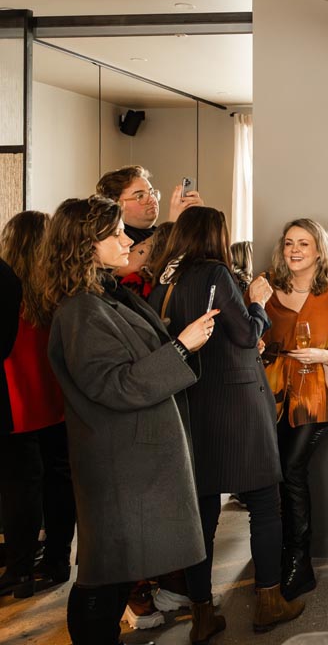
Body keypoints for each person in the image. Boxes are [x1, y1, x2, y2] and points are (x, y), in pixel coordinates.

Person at [32, 196, 218, 645]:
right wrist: (182, 346)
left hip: (132, 457)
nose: (126, 240)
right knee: (105, 576)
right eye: (114, 233)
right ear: (85, 245)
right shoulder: (81, 309)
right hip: (118, 461)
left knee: (117, 572)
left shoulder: (107, 294)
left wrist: (177, 342)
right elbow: (115, 385)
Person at [157, 207, 305, 639]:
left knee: (202, 515)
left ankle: (202, 615)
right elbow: (245, 335)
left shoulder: (166, 279)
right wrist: (257, 302)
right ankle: (269, 602)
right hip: (238, 404)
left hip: (191, 403)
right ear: (215, 236)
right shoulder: (217, 273)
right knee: (265, 504)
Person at [262, 218, 328, 601]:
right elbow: (251, 331)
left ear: (319, 250)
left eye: (303, 243)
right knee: (273, 473)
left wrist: (325, 355)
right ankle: (276, 553)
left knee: (291, 468)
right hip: (272, 393)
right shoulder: (267, 289)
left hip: (317, 395)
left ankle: (298, 559)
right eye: (289, 242)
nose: (294, 250)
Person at [0, 211, 74, 598]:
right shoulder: (56, 291)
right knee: (59, 485)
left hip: (16, 404)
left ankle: (20, 570)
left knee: (19, 491)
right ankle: (58, 561)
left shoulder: (7, 291)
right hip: (57, 402)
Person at [95, 165, 203, 245]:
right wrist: (171, 226)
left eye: (151, 193)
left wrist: (200, 219)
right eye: (140, 196)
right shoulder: (111, 238)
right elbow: (131, 264)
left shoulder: (158, 233)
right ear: (116, 204)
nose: (152, 199)